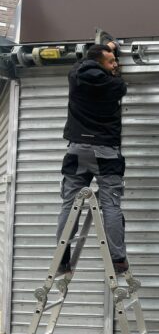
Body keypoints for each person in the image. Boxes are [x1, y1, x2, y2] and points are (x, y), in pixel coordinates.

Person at [56, 42, 129, 274]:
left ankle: (61, 259)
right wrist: (113, 67)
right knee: (111, 204)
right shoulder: (113, 84)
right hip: (105, 152)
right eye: (111, 61)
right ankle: (117, 259)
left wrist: (104, 48)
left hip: (77, 150)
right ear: (100, 63)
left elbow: (84, 62)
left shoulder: (74, 75)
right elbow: (120, 85)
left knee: (69, 205)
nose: (115, 63)